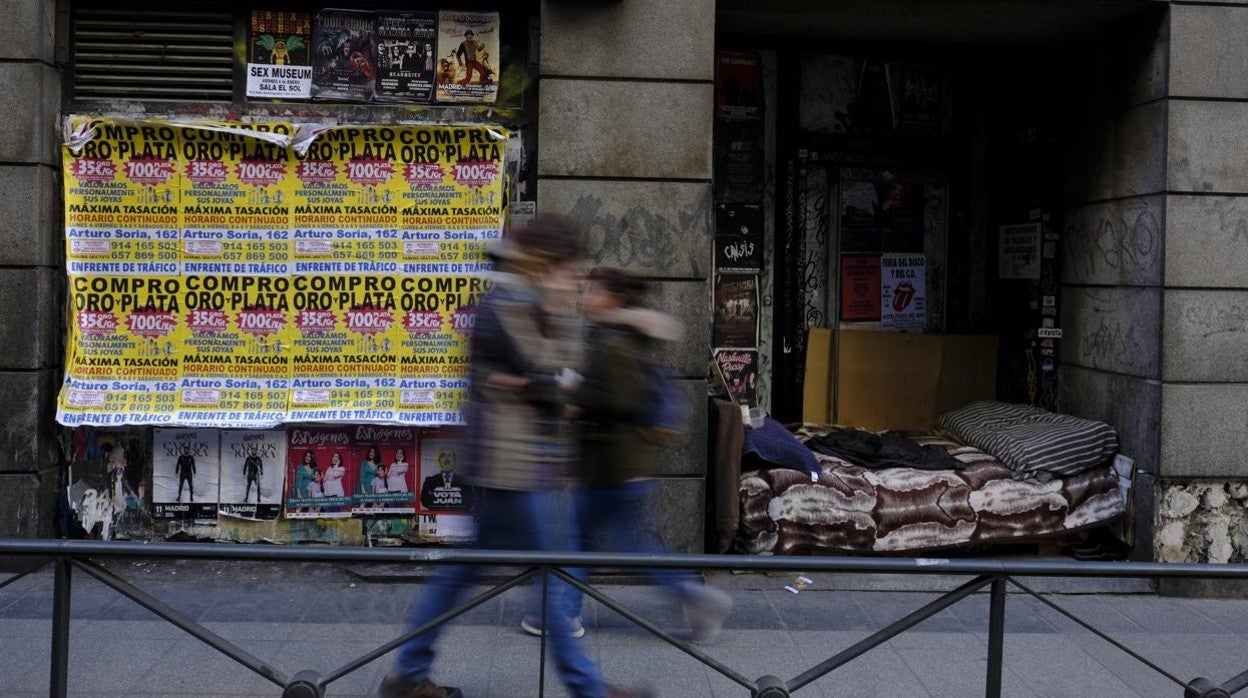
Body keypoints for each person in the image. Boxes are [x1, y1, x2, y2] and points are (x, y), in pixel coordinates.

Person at [380, 215, 648, 698]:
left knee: (465, 572)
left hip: (519, 461)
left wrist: (543, 377)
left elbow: (552, 371)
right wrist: (542, 382)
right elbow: (544, 372)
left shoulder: (526, 304)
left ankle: (408, 674)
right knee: (550, 571)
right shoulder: (505, 306)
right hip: (509, 462)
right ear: (546, 265)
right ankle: (587, 688)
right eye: (569, 271)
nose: (573, 283)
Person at [521, 267, 732, 642]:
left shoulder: (614, 343)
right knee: (623, 543)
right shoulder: (618, 337)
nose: (584, 297)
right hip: (622, 465)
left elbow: (620, 400)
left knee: (579, 538)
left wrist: (576, 390)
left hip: (613, 467)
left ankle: (566, 615)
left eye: (593, 291)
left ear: (613, 299)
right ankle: (693, 598)